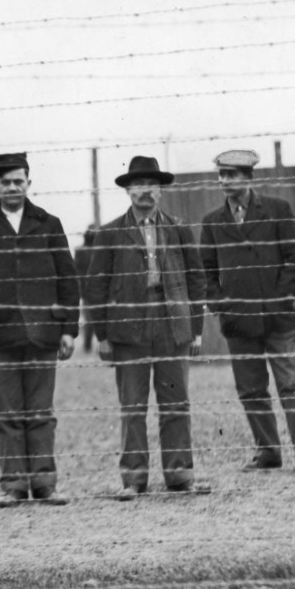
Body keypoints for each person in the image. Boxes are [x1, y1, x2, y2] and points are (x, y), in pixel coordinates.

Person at [199, 149, 295, 475]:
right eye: (221, 175)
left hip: (278, 320)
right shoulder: (212, 223)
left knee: (292, 385)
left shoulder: (277, 210)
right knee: (251, 390)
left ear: (249, 178)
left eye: (232, 175)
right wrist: (222, 304)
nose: (225, 181)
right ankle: (267, 452)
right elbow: (205, 271)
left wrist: (277, 296)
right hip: (238, 323)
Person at [0, 152, 79, 507]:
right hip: (0, 338)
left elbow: (68, 280)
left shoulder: (49, 224)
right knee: (9, 415)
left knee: (41, 413)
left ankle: (45, 484)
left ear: (28, 183)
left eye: (18, 181)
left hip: (43, 336)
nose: (12, 187)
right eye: (5, 181)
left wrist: (69, 328)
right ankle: (12, 485)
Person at [84, 156, 211, 500]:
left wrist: (195, 329)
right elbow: (95, 287)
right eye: (138, 185)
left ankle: (180, 475)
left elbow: (196, 280)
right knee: (133, 406)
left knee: (176, 403)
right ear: (128, 190)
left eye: (152, 185)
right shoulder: (110, 233)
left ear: (161, 190)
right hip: (129, 332)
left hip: (173, 329)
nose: (145, 192)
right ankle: (133, 480)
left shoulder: (179, 228)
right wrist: (103, 335)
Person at [75, 223, 98, 353]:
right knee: (90, 319)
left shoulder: (98, 250)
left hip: (94, 288)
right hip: (88, 289)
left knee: (92, 319)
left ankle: (89, 346)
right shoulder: (82, 251)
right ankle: (88, 345)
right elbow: (78, 271)